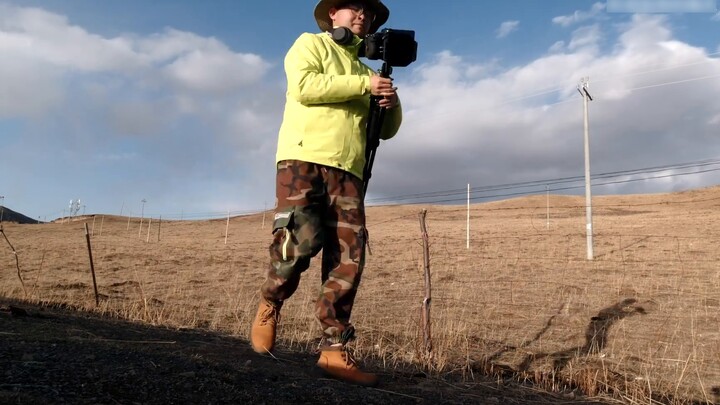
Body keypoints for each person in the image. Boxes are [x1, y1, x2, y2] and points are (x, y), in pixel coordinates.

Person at [250, 0, 402, 387]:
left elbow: (385, 131)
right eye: (353, 7)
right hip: (303, 159)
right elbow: (304, 87)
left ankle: (334, 349)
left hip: (349, 170)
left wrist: (390, 103)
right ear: (333, 14)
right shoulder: (311, 45)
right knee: (300, 242)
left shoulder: (366, 71)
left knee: (348, 258)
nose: (362, 15)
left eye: (367, 11)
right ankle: (271, 302)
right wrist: (363, 85)